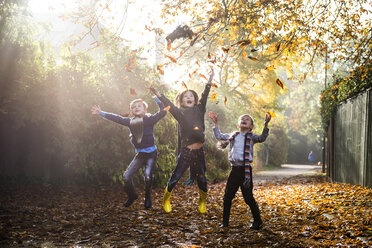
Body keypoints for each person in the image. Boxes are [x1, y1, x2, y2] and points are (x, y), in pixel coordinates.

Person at [150, 68, 214, 214]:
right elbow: (170, 105)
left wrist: (210, 79)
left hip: (199, 152)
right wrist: (158, 94)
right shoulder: (179, 112)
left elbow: (205, 94)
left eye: (191, 95)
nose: (189, 97)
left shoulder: (200, 109)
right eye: (186, 96)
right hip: (186, 152)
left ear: (195, 99)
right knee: (176, 176)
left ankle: (202, 202)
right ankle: (166, 199)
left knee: (202, 179)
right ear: (182, 100)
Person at [91, 97, 166, 209]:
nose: (136, 108)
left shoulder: (150, 120)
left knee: (148, 176)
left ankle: (148, 197)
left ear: (145, 110)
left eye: (139, 106)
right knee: (126, 177)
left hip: (151, 154)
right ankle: (132, 196)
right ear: (132, 112)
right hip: (140, 155)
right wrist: (101, 113)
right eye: (134, 107)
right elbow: (117, 118)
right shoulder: (131, 122)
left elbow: (163, 112)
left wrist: (157, 99)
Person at [210, 112, 271, 229]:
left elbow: (262, 138)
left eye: (247, 119)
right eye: (242, 118)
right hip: (234, 171)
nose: (244, 119)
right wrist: (216, 123)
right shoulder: (233, 136)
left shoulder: (252, 137)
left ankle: (257, 221)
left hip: (245, 171)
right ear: (238, 125)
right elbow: (219, 136)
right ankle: (225, 222)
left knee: (248, 197)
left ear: (251, 126)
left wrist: (266, 125)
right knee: (227, 197)